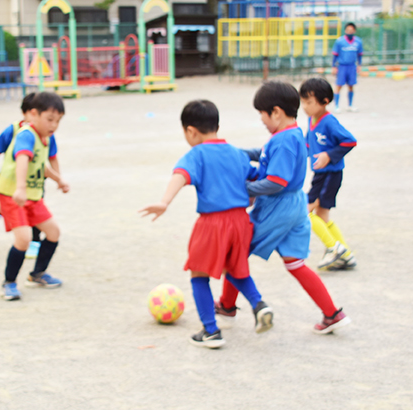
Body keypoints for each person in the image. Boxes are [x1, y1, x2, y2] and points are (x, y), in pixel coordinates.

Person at [215, 81, 351, 335]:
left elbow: (276, 181)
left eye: (262, 115)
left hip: (277, 208)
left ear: (276, 112)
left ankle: (227, 306)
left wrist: (244, 190)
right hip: (295, 207)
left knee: (236, 253)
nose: (262, 120)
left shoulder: (284, 140)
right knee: (295, 263)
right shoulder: (289, 134)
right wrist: (235, 153)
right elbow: (264, 153)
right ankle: (332, 314)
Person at [140, 100, 274, 349]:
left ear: (191, 131)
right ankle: (259, 304)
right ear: (217, 125)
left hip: (213, 223)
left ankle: (211, 330)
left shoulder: (197, 154)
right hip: (241, 221)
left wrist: (164, 202)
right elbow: (258, 176)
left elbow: (180, 175)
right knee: (236, 268)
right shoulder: (236, 153)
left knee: (198, 274)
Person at [0, 92, 70, 301]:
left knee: (53, 232)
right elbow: (22, 158)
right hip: (14, 195)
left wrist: (58, 180)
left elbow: (41, 166)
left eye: (58, 121)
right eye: (49, 119)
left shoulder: (44, 138)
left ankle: (37, 274)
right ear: (33, 115)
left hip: (33, 197)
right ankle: (8, 283)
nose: (54, 125)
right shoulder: (26, 134)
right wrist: (20, 188)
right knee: (24, 239)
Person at [0, 93, 62, 260]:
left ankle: (35, 242)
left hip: (34, 182)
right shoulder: (17, 131)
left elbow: (51, 158)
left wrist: (59, 178)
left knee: (36, 209)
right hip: (10, 185)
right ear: (28, 113)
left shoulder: (46, 134)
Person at [300, 78, 358, 270]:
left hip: (330, 174)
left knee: (306, 212)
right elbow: (309, 141)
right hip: (320, 174)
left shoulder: (329, 122)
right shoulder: (312, 119)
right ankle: (346, 254)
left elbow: (349, 141)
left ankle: (334, 248)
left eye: (309, 102)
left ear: (324, 101)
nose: (305, 107)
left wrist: (329, 155)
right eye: (304, 102)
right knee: (322, 213)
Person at [331, 22, 364, 113]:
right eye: (348, 30)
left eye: (351, 30)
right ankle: (336, 105)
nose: (349, 31)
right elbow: (335, 54)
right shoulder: (340, 41)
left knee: (351, 86)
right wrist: (333, 66)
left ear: (354, 30)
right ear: (345, 30)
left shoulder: (358, 42)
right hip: (342, 66)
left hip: (352, 66)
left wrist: (359, 65)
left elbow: (360, 55)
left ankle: (350, 105)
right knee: (338, 85)